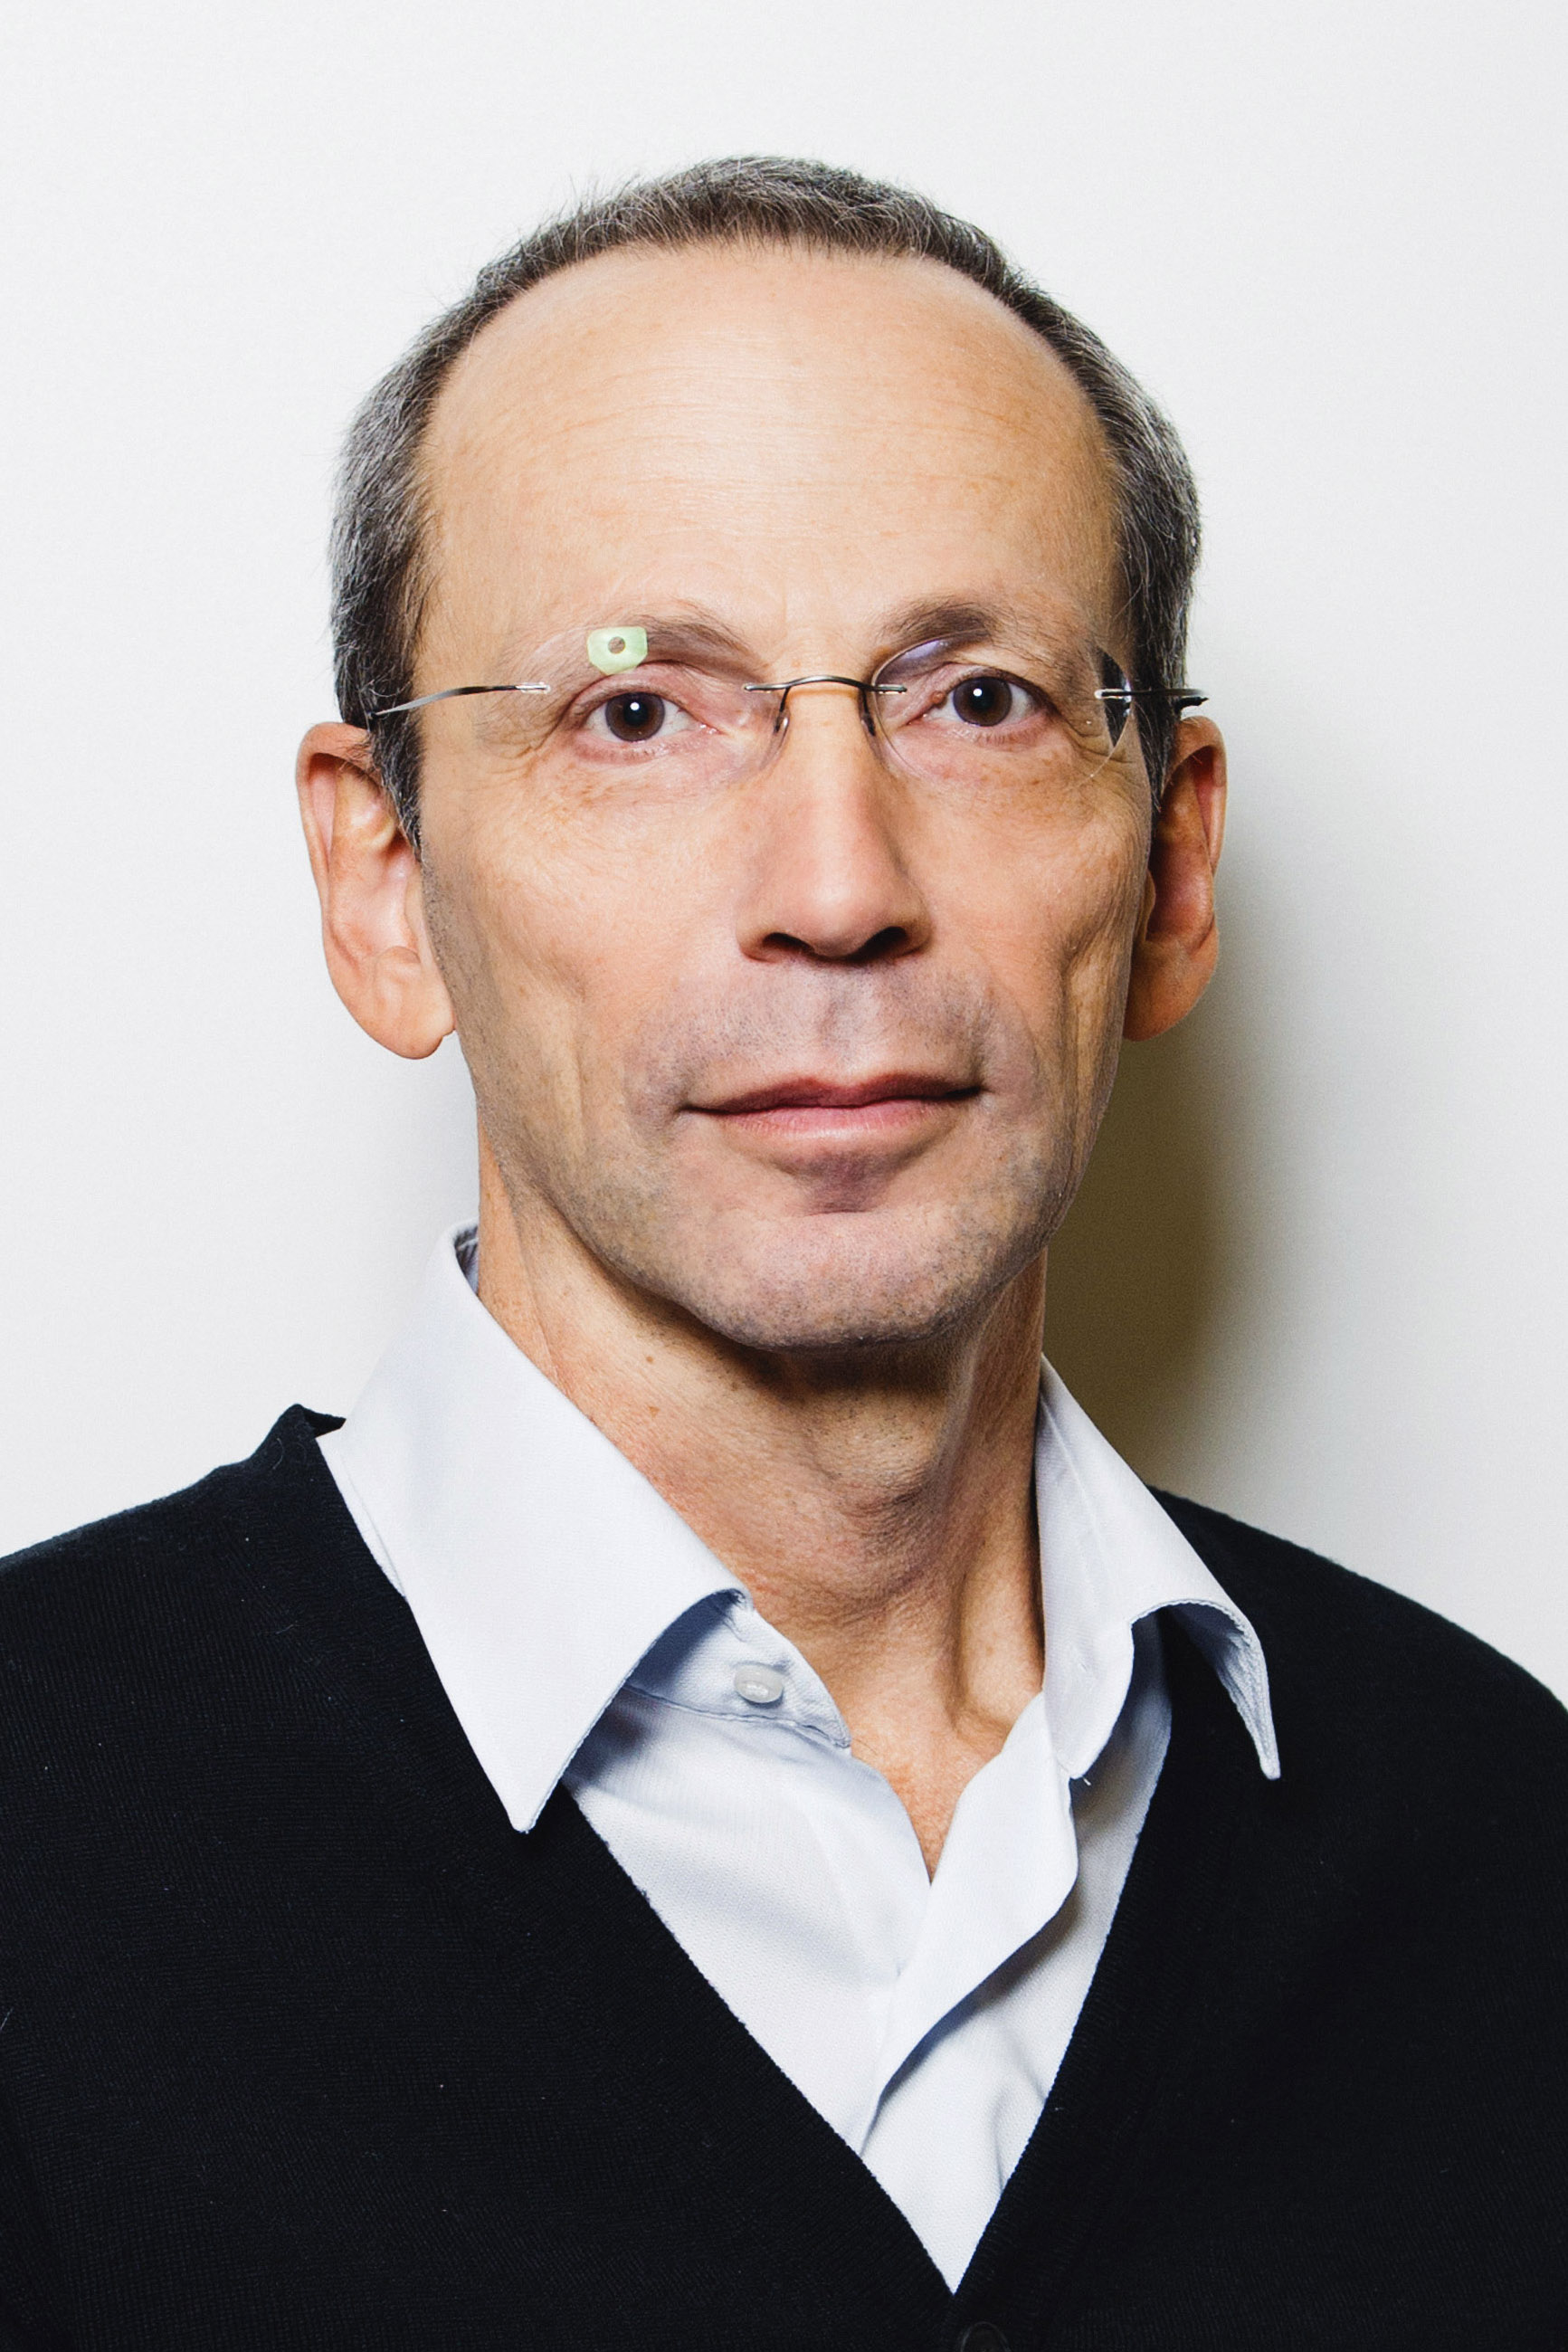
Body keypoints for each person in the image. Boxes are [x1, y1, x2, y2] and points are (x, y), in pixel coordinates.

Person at [0, 157, 1562, 2352]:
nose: (837, 888)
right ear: (383, 884)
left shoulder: (1507, 1847)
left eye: (979, 702)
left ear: (1173, 863)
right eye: (636, 710)